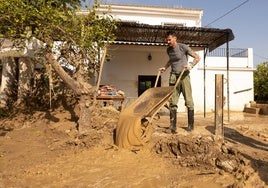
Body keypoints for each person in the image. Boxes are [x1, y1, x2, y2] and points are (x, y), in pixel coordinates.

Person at [159, 31, 200, 133]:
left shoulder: (183, 47)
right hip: (173, 76)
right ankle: (173, 126)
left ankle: (190, 125)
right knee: (173, 102)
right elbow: (171, 60)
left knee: (189, 101)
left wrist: (190, 65)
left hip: (184, 76)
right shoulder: (168, 50)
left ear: (175, 38)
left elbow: (197, 57)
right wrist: (165, 67)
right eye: (167, 40)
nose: (168, 42)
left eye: (169, 39)